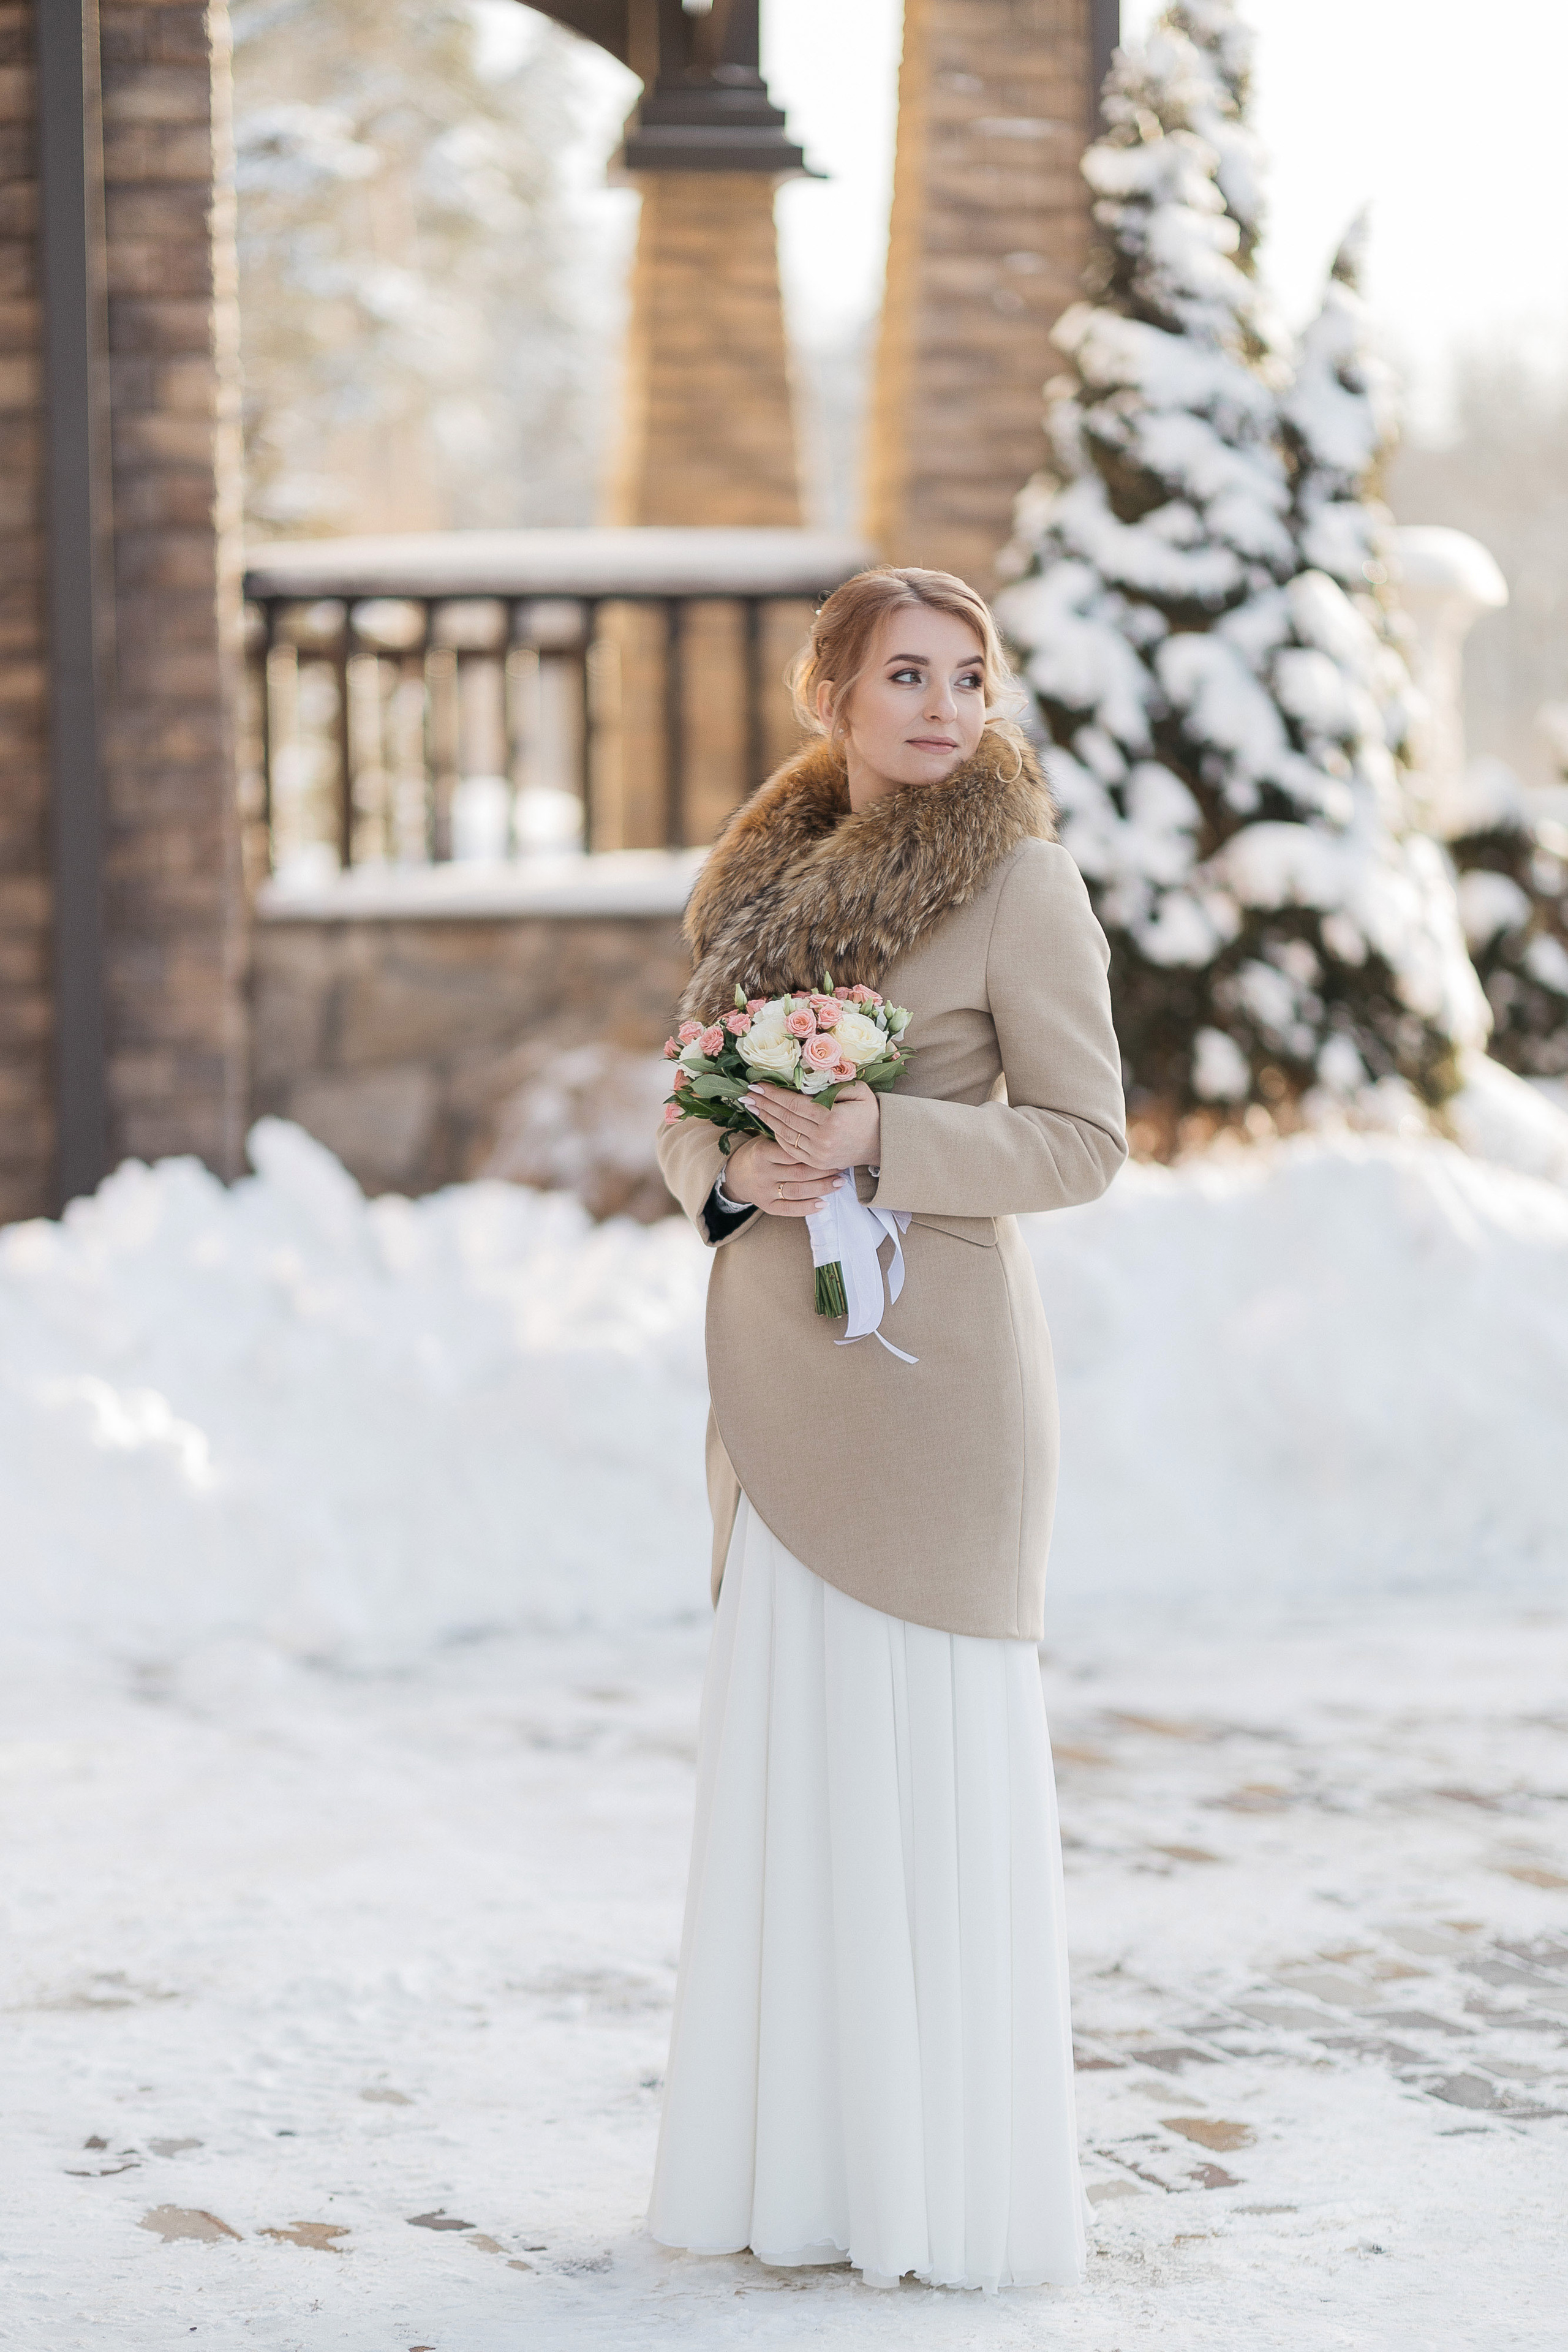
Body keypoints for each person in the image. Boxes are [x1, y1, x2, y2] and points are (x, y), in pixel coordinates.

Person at [649, 565, 1127, 2293]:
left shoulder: (1021, 882)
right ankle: (799, 2177)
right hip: (778, 1385)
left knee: (920, 1778)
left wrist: (880, 1143)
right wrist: (735, 1172)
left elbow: (1084, 1141)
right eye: (908, 675)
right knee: (802, 1781)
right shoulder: (753, 890)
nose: (944, 706)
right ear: (828, 696)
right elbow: (682, 1115)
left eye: (969, 676)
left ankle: (940, 2194)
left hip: (936, 1393)